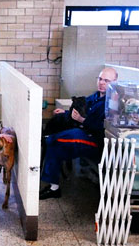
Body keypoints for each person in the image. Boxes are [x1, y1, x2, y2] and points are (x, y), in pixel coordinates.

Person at [39, 67, 118, 200]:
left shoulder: (113, 103)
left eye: (106, 80)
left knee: (57, 140)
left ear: (115, 82)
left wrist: (82, 120)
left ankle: (47, 140)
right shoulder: (96, 96)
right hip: (84, 133)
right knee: (57, 143)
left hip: (95, 141)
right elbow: (80, 109)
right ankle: (54, 187)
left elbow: (102, 128)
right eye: (100, 79)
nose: (102, 83)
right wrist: (65, 113)